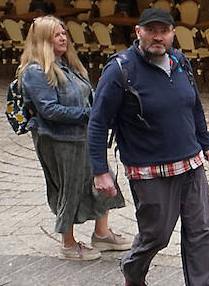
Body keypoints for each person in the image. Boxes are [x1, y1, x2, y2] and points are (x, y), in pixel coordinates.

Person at [87, 8, 209, 286]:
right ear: (138, 32)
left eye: (165, 30)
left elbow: (193, 106)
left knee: (200, 231)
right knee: (157, 234)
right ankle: (133, 268)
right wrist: (100, 170)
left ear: (172, 33)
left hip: (191, 163)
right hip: (149, 169)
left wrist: (207, 145)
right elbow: (97, 121)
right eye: (151, 30)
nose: (159, 36)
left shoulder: (180, 61)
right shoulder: (120, 70)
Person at [18, 16, 129, 261]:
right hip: (59, 140)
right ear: (43, 40)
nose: (63, 38)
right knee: (70, 189)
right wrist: (91, 114)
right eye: (56, 35)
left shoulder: (68, 64)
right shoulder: (36, 71)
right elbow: (49, 110)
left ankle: (101, 234)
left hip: (84, 136)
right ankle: (68, 244)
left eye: (64, 33)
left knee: (104, 181)